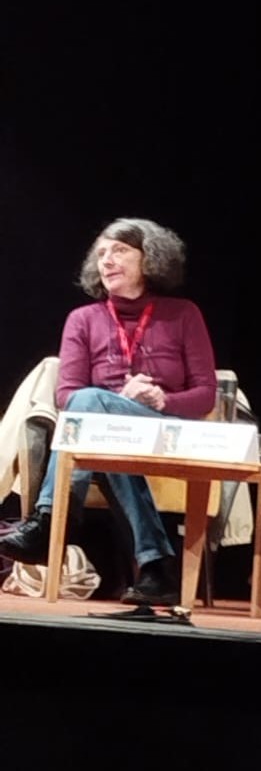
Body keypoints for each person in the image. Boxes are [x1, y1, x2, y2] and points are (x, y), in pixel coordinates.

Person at [0, 218, 217, 605]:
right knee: (95, 415)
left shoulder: (184, 314)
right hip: (106, 437)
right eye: (101, 253)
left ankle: (49, 521)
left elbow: (205, 395)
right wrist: (118, 397)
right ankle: (156, 568)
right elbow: (66, 394)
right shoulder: (83, 319)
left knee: (91, 406)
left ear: (149, 258)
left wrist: (161, 400)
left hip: (167, 429)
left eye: (119, 250)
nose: (107, 260)